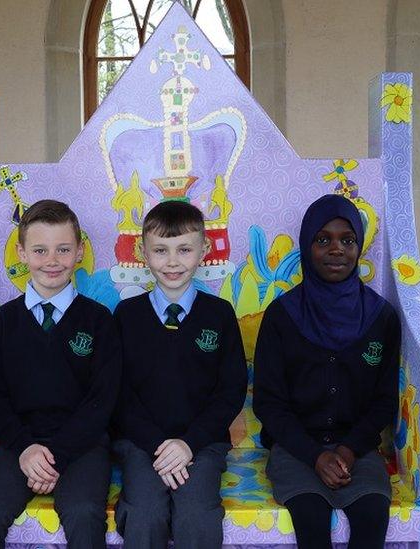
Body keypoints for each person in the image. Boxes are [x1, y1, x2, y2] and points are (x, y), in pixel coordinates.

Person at [0, 199, 120, 549]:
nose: (52, 260)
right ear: (21, 253)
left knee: (84, 514)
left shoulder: (99, 321)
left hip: (83, 447)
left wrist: (57, 456)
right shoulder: (3, 322)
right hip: (16, 445)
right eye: (40, 250)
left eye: (63, 249)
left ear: (79, 252)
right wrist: (24, 449)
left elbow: (103, 398)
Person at [253, 194, 400, 549]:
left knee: (372, 515)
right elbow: (269, 403)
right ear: (307, 245)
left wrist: (348, 451)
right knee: (310, 516)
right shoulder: (282, 315)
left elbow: (383, 401)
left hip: (358, 450)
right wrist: (315, 455)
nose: (337, 250)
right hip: (295, 448)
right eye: (323, 240)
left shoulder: (381, 318)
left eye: (347, 240)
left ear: (359, 246)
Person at [111, 200, 247, 549]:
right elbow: (118, 392)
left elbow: (230, 390)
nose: (172, 262)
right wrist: (160, 446)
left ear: (204, 250)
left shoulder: (219, 314)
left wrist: (188, 444)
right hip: (141, 444)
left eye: (184, 249)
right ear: (143, 252)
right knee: (144, 512)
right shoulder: (127, 315)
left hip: (202, 443)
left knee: (196, 515)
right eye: (161, 250)